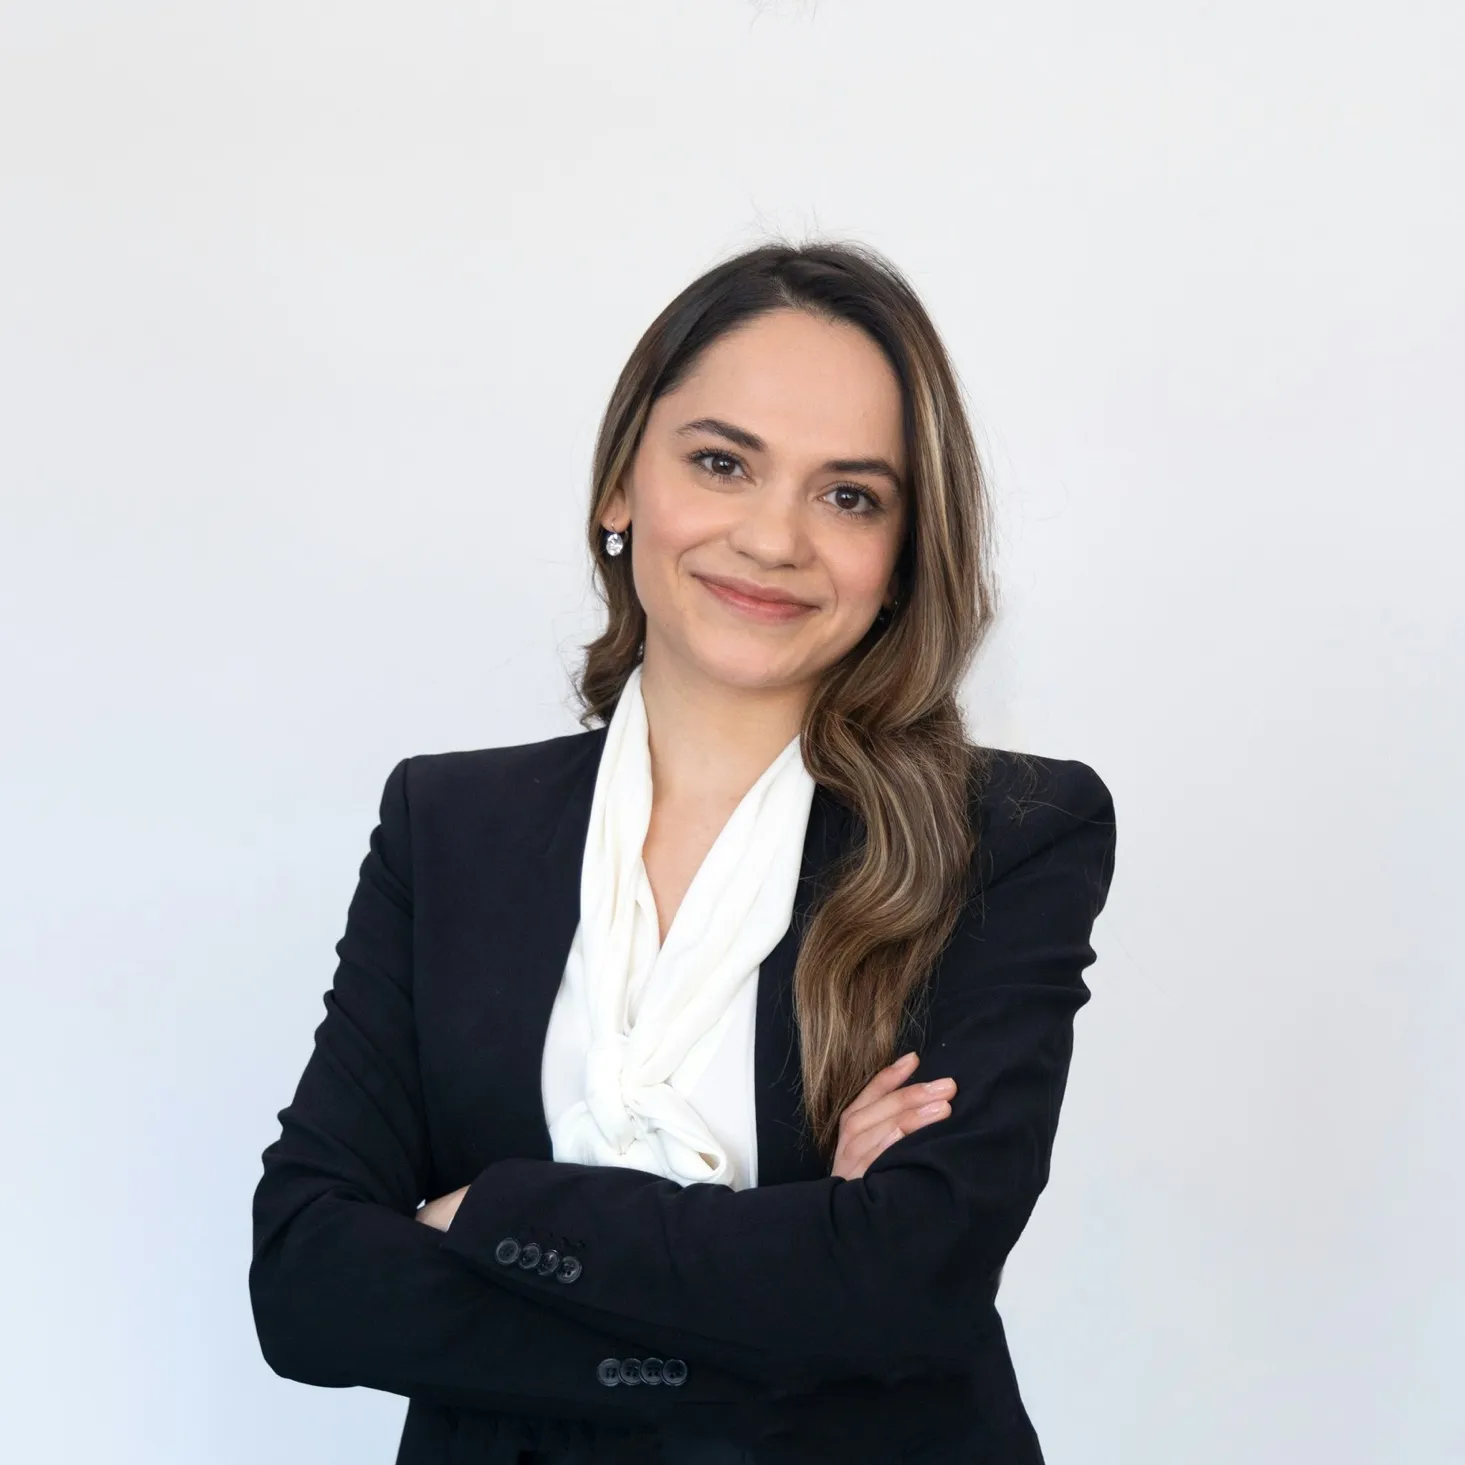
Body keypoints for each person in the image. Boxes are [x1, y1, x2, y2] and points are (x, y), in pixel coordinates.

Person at [248, 240, 1119, 1464]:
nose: (773, 538)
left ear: (903, 555)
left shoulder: (1007, 837)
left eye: (849, 495)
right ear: (620, 489)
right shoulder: (448, 827)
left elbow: (906, 1283)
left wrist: (488, 1211)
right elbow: (307, 1279)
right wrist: (792, 1253)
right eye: (721, 463)